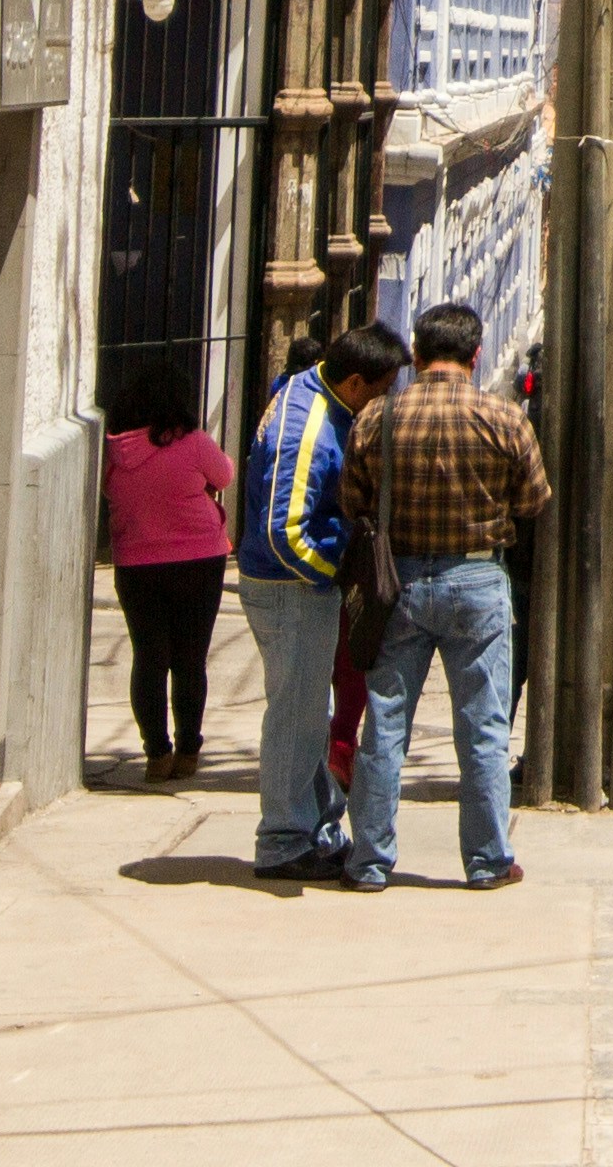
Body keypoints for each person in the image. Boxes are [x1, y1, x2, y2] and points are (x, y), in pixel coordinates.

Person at [347, 303, 551, 890]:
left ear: (415, 354)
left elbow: (353, 498)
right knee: (484, 729)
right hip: (479, 580)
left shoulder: (379, 417)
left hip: (400, 585)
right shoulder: (505, 417)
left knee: (385, 726)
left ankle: (368, 861)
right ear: (477, 353)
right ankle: (487, 860)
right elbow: (534, 499)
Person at [236, 322, 400, 878]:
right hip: (290, 591)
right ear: (355, 382)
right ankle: (283, 840)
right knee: (295, 718)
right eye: (381, 390)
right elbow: (286, 531)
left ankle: (316, 827)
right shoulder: (306, 424)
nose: (386, 403)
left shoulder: (315, 394)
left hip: (295, 589)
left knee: (310, 715)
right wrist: (337, 574)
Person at [101, 357, 236, 785]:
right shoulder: (193, 442)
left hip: (137, 562)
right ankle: (189, 749)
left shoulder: (114, 451)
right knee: (190, 659)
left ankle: (156, 753)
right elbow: (226, 475)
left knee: (149, 657)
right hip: (199, 560)